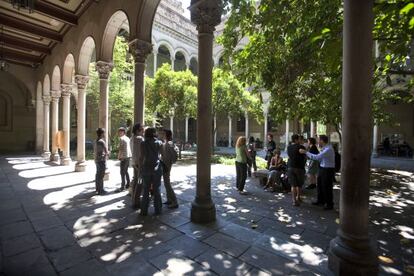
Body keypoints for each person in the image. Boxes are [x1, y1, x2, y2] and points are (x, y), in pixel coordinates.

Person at [299, 135, 335, 210]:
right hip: (322, 168)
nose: (318, 141)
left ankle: (329, 204)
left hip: (327, 170)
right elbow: (319, 158)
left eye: (318, 140)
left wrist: (306, 152)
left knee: (327, 187)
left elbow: (317, 157)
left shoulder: (328, 149)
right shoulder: (324, 148)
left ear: (322, 141)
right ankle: (320, 201)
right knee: (320, 185)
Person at [139, 127, 163, 216]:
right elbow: (162, 155)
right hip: (156, 168)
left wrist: (140, 170)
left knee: (145, 190)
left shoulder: (143, 143)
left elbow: (141, 157)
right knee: (157, 189)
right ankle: (158, 210)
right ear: (154, 133)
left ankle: (144, 210)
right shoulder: (159, 143)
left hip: (146, 168)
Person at [160, 129, 179, 209]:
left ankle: (175, 202)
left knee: (167, 183)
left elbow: (174, 154)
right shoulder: (165, 142)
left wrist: (171, 162)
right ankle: (169, 200)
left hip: (166, 165)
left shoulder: (170, 143)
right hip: (164, 164)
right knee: (166, 182)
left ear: (167, 135)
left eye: (164, 133)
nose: (162, 134)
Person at [287, 134, 306, 206]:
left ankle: (294, 200)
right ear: (296, 140)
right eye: (299, 139)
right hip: (299, 167)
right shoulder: (301, 147)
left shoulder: (289, 147)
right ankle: (298, 197)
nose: (300, 140)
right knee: (299, 184)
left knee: (293, 185)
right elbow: (305, 156)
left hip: (290, 167)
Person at [130, 123, 144, 208]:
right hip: (139, 164)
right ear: (138, 130)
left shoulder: (132, 138)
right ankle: (136, 201)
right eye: (142, 129)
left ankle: (134, 199)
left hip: (134, 163)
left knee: (136, 181)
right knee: (139, 182)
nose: (143, 131)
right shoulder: (140, 139)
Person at [117, 127, 132, 192]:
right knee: (125, 171)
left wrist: (120, 157)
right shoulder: (127, 138)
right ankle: (128, 184)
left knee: (122, 172)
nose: (119, 133)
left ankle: (122, 186)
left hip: (123, 157)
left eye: (120, 132)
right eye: (119, 132)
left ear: (123, 132)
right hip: (128, 156)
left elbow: (121, 149)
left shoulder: (121, 138)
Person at [94, 128, 108, 195]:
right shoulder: (102, 141)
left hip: (97, 160)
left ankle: (97, 189)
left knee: (98, 175)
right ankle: (101, 190)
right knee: (101, 176)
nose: (104, 134)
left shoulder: (96, 140)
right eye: (104, 133)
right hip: (101, 160)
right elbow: (106, 152)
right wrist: (108, 153)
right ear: (102, 133)